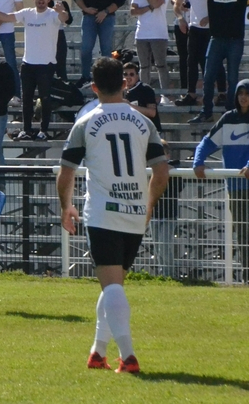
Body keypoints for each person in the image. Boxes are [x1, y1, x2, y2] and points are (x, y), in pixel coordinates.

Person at [57, 57, 169, 374]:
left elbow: (66, 175)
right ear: (124, 83)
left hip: (103, 213)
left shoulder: (86, 122)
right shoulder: (143, 122)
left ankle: (129, 355)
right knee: (114, 286)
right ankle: (98, 352)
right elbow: (161, 172)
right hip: (134, 213)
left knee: (112, 288)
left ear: (94, 88)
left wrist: (66, 206)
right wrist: (147, 206)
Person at [192, 79, 249, 286]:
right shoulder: (228, 119)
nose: (243, 97)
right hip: (234, 187)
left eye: (247, 93)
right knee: (242, 233)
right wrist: (198, 161)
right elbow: (207, 142)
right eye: (240, 93)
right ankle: (248, 279)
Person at [0, 0, 69, 141]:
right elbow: (7, 17)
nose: (41, 0)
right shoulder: (27, 13)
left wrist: (61, 10)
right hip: (28, 64)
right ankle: (27, 130)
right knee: (27, 99)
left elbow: (65, 18)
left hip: (46, 65)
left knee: (45, 98)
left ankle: (43, 130)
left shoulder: (53, 14)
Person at [169, 0, 219, 106]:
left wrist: (211, 18)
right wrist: (181, 17)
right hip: (194, 26)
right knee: (190, 61)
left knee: (210, 62)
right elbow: (176, 1)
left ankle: (212, 95)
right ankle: (190, 94)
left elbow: (223, 5)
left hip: (212, 28)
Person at [71, 0, 127, 87]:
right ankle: (85, 77)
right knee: (86, 49)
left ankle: (106, 79)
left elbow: (120, 0)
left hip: (107, 18)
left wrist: (105, 12)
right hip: (89, 17)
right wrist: (85, 8)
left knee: (106, 50)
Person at [130, 0, 171, 99]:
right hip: (142, 33)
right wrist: (148, 8)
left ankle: (166, 95)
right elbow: (133, 11)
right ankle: (143, 96)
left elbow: (156, 3)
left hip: (158, 33)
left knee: (161, 65)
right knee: (144, 67)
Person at [152, 139, 184, 277]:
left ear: (168, 155)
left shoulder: (174, 169)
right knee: (157, 247)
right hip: (154, 214)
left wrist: (167, 173)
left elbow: (179, 187)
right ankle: (163, 274)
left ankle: (170, 274)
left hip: (169, 214)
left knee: (165, 245)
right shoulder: (149, 170)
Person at [43, 0, 73, 81]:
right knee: (46, 69)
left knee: (61, 68)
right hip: (45, 36)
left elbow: (69, 21)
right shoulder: (42, 4)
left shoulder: (61, 3)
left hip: (58, 36)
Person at [122, 62, 162, 134]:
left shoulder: (145, 89)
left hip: (151, 132)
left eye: (131, 74)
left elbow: (152, 112)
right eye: (125, 74)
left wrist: (129, 106)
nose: (128, 77)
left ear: (137, 76)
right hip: (134, 132)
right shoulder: (121, 91)